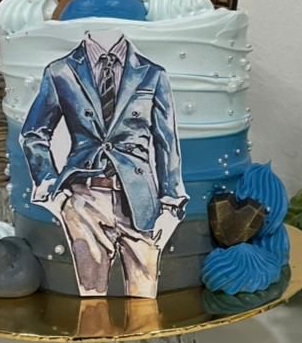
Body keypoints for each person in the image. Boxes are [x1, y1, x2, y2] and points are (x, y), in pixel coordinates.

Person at [21, 29, 187, 298]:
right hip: (84, 200)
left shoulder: (152, 73)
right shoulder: (61, 71)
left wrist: (171, 204)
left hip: (141, 201)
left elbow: (167, 143)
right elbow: (33, 134)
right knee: (91, 299)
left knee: (145, 299)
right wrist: (53, 188)